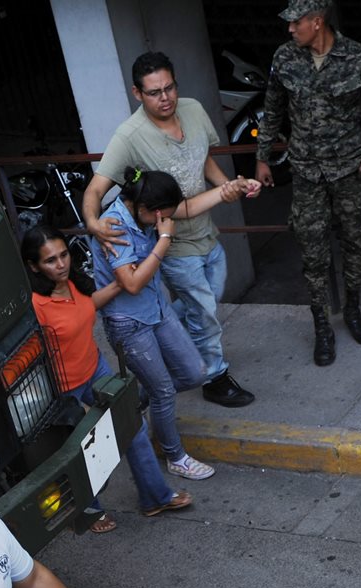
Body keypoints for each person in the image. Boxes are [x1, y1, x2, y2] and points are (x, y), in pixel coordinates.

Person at [84, 51, 259, 409]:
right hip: (172, 244)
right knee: (205, 313)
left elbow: (202, 158)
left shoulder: (192, 109)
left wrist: (231, 186)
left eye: (169, 88)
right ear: (137, 93)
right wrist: (92, 223)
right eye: (154, 92)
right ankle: (214, 376)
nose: (165, 98)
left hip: (206, 233)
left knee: (203, 303)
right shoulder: (129, 135)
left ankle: (162, 336)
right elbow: (95, 189)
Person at [255, 0, 361, 367]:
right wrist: (262, 156)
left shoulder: (358, 57)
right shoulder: (285, 58)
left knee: (355, 245)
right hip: (307, 174)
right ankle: (322, 325)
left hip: (351, 172)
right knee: (313, 254)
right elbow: (273, 108)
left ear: (317, 22)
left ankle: (353, 310)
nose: (290, 29)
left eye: (296, 22)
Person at [21, 225, 193, 531]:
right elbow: (30, 360)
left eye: (63, 255)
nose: (61, 264)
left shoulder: (71, 284)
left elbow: (86, 308)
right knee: (85, 452)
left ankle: (155, 498)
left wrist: (119, 283)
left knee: (133, 427)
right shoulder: (36, 305)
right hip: (66, 389)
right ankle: (89, 510)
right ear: (34, 266)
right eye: (50, 260)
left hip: (95, 368)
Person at [91, 167, 251, 481]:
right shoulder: (115, 228)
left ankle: (133, 402)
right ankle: (175, 456)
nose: (167, 217)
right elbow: (132, 283)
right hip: (129, 323)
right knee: (164, 392)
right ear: (142, 208)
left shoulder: (147, 210)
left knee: (194, 372)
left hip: (158, 309)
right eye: (161, 213)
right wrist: (164, 240)